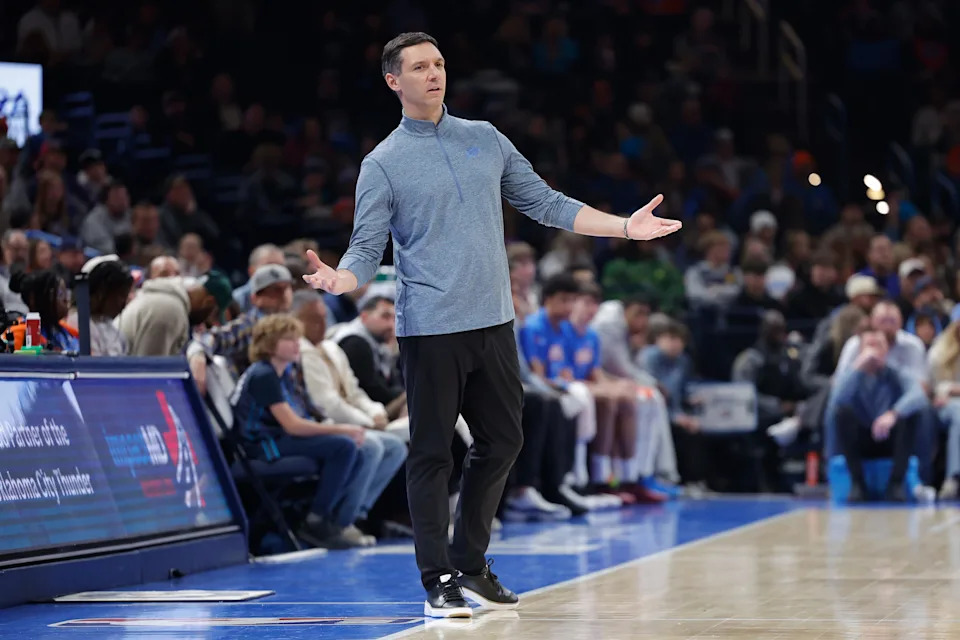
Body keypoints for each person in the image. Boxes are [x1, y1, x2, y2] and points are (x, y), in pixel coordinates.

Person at [302, 31, 681, 618]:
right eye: (420, 67)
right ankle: (438, 580)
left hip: (494, 322)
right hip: (430, 327)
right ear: (393, 81)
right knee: (431, 454)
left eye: (440, 63)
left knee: (503, 440)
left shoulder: (485, 138)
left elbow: (548, 203)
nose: (434, 74)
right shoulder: (382, 163)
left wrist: (625, 228)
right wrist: (342, 281)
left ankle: (471, 563)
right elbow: (365, 246)